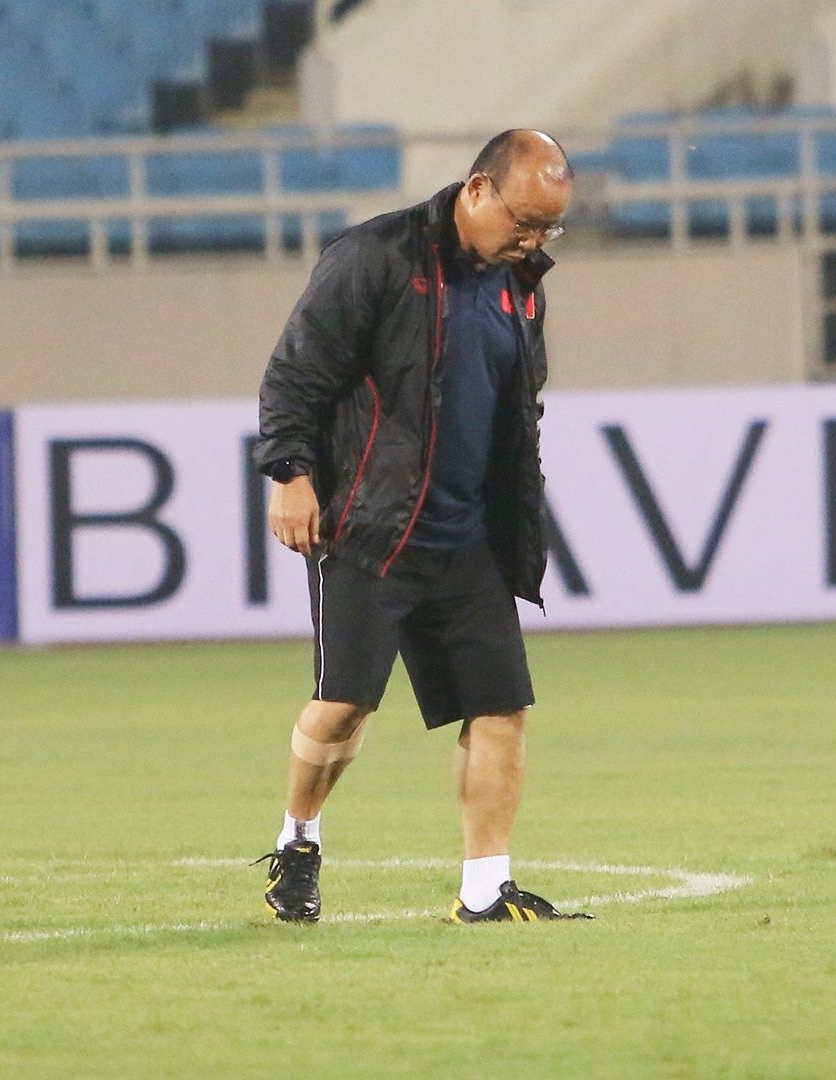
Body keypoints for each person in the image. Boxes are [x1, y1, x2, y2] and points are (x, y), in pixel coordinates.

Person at [250, 129, 592, 924]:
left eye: (549, 229)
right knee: (344, 707)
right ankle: (300, 841)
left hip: (466, 536)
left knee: (501, 706)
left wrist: (517, 520)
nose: (535, 242)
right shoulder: (373, 258)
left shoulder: (523, 285)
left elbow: (521, 409)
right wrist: (291, 476)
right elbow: (294, 374)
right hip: (370, 527)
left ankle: (485, 890)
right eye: (525, 223)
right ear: (477, 190)